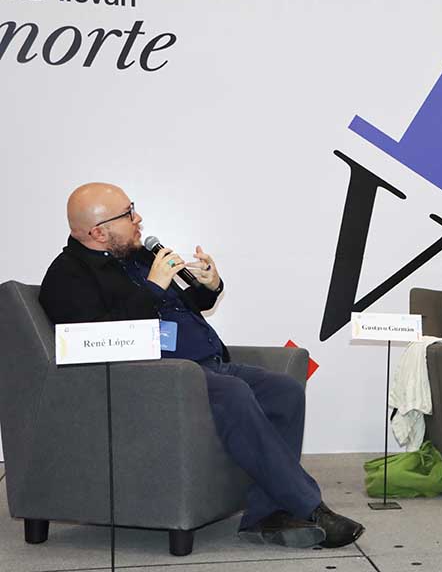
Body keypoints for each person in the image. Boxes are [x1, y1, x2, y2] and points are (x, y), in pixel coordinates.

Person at [39, 183, 365, 549]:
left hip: (208, 367)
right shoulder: (67, 277)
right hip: (160, 382)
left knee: (285, 391)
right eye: (128, 214)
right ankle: (310, 506)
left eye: (134, 208)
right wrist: (152, 290)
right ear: (97, 231)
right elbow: (95, 343)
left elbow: (190, 304)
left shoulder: (138, 258)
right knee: (234, 393)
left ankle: (265, 517)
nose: (138, 219)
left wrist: (210, 284)